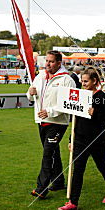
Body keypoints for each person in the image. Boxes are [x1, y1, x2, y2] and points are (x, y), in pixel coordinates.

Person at [58, 67, 105, 210]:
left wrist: (95, 113)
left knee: (102, 166)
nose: (83, 84)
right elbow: (75, 120)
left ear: (94, 81)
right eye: (81, 81)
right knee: (77, 170)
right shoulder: (80, 96)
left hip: (97, 140)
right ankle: (73, 202)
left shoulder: (102, 97)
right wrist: (72, 139)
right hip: (81, 139)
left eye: (86, 81)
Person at [27, 50, 76, 199]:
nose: (47, 64)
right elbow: (30, 96)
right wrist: (30, 92)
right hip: (41, 120)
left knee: (48, 153)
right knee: (53, 152)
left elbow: (70, 104)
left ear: (59, 63)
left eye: (51, 61)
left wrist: (50, 111)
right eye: (47, 61)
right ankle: (58, 181)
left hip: (57, 122)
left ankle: (41, 188)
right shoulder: (40, 76)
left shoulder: (67, 80)